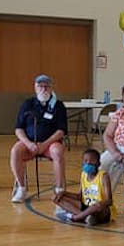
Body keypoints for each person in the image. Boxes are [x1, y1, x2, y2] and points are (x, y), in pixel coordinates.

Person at [10, 74, 69, 203]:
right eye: (40, 86)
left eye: (46, 86)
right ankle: (21, 188)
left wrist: (45, 144)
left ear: (51, 88)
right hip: (29, 143)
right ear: (35, 88)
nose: (43, 89)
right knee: (15, 151)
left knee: (58, 152)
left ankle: (59, 190)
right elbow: (18, 129)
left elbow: (61, 131)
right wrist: (29, 143)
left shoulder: (58, 106)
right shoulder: (27, 104)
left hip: (50, 143)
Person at [53, 147, 115, 225]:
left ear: (98, 163)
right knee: (57, 198)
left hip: (101, 210)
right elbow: (79, 197)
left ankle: (75, 217)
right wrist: (64, 193)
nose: (88, 163)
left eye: (92, 160)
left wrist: (98, 204)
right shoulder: (83, 175)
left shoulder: (103, 176)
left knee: (96, 206)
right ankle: (87, 217)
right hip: (86, 207)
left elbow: (109, 200)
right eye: (85, 161)